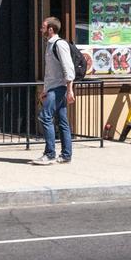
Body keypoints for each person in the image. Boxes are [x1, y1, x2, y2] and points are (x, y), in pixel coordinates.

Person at [38, 16, 74, 165]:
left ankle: (50, 154)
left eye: (43, 27)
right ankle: (66, 155)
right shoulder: (49, 44)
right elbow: (50, 72)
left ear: (50, 29)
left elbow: (68, 67)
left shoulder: (59, 44)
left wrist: (70, 89)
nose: (41, 29)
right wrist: (44, 89)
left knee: (45, 116)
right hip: (53, 87)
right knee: (62, 121)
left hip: (59, 88)